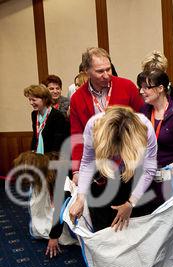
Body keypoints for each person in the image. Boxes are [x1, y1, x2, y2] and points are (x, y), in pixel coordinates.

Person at [68, 106, 157, 232]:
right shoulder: (94, 126)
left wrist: (131, 203)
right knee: (103, 230)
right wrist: (80, 198)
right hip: (102, 178)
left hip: (134, 178)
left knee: (133, 231)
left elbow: (149, 170)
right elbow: (87, 163)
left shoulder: (145, 129)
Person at [70, 47, 144, 184]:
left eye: (108, 69)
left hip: (129, 165)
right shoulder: (77, 98)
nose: (106, 75)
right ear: (87, 71)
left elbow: (143, 122)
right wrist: (76, 170)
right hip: (97, 167)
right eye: (100, 71)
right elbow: (77, 135)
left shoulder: (127, 87)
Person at [137, 70, 173, 209]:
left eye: (145, 87)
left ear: (160, 88)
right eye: (140, 87)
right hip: (149, 183)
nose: (141, 91)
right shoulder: (143, 112)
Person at [24, 84, 68, 154]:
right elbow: (35, 136)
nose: (31, 103)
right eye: (30, 100)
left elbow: (58, 142)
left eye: (34, 100)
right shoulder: (34, 114)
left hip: (52, 157)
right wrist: (32, 152)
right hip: (38, 155)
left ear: (44, 99)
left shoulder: (57, 115)